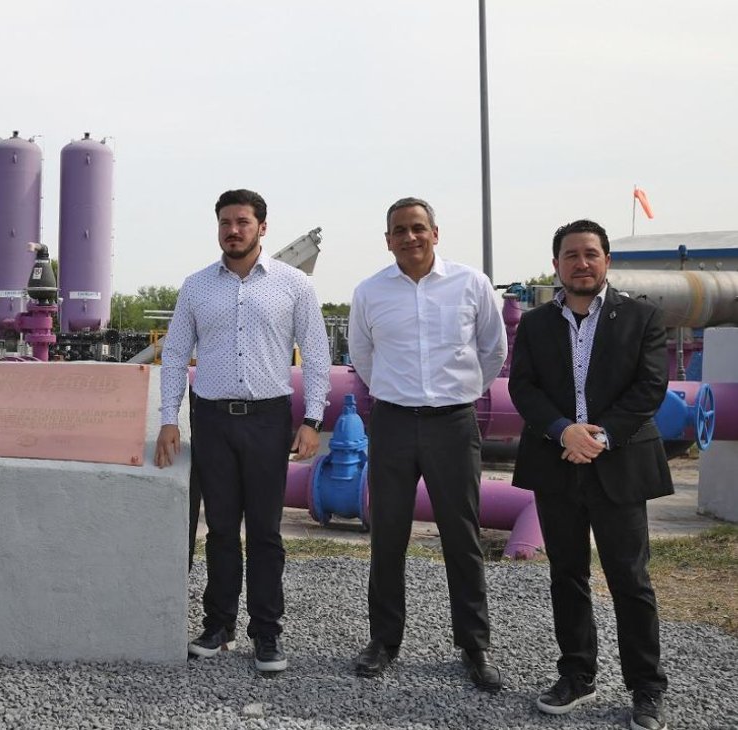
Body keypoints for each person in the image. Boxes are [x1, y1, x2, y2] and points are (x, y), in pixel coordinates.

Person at [155, 189, 330, 673]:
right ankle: (218, 625)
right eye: (225, 222)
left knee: (267, 532)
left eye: (243, 222)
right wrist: (169, 418)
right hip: (211, 419)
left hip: (267, 420)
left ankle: (267, 633)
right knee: (221, 529)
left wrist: (312, 419)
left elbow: (316, 354)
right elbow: (173, 356)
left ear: (262, 228)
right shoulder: (195, 287)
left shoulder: (293, 285)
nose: (233, 230)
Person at [509, 219, 671, 730]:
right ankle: (577, 674)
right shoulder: (536, 324)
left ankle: (646, 687)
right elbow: (524, 387)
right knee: (567, 575)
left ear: (607, 260)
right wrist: (563, 432)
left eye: (591, 254)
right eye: (571, 255)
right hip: (557, 464)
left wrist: (597, 438)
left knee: (630, 579)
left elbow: (650, 388)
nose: (582, 263)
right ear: (556, 264)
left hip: (618, 464)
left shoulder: (642, 317)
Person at [346, 197, 506, 691]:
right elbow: (363, 357)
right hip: (393, 423)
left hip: (453, 425)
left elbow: (492, 351)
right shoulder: (370, 292)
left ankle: (474, 645)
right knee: (387, 534)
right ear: (387, 239)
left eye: (418, 228)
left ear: (435, 233)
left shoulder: (472, 285)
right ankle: (384, 640)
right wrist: (401, 396)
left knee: (462, 535)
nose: (410, 237)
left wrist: (454, 394)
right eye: (399, 230)